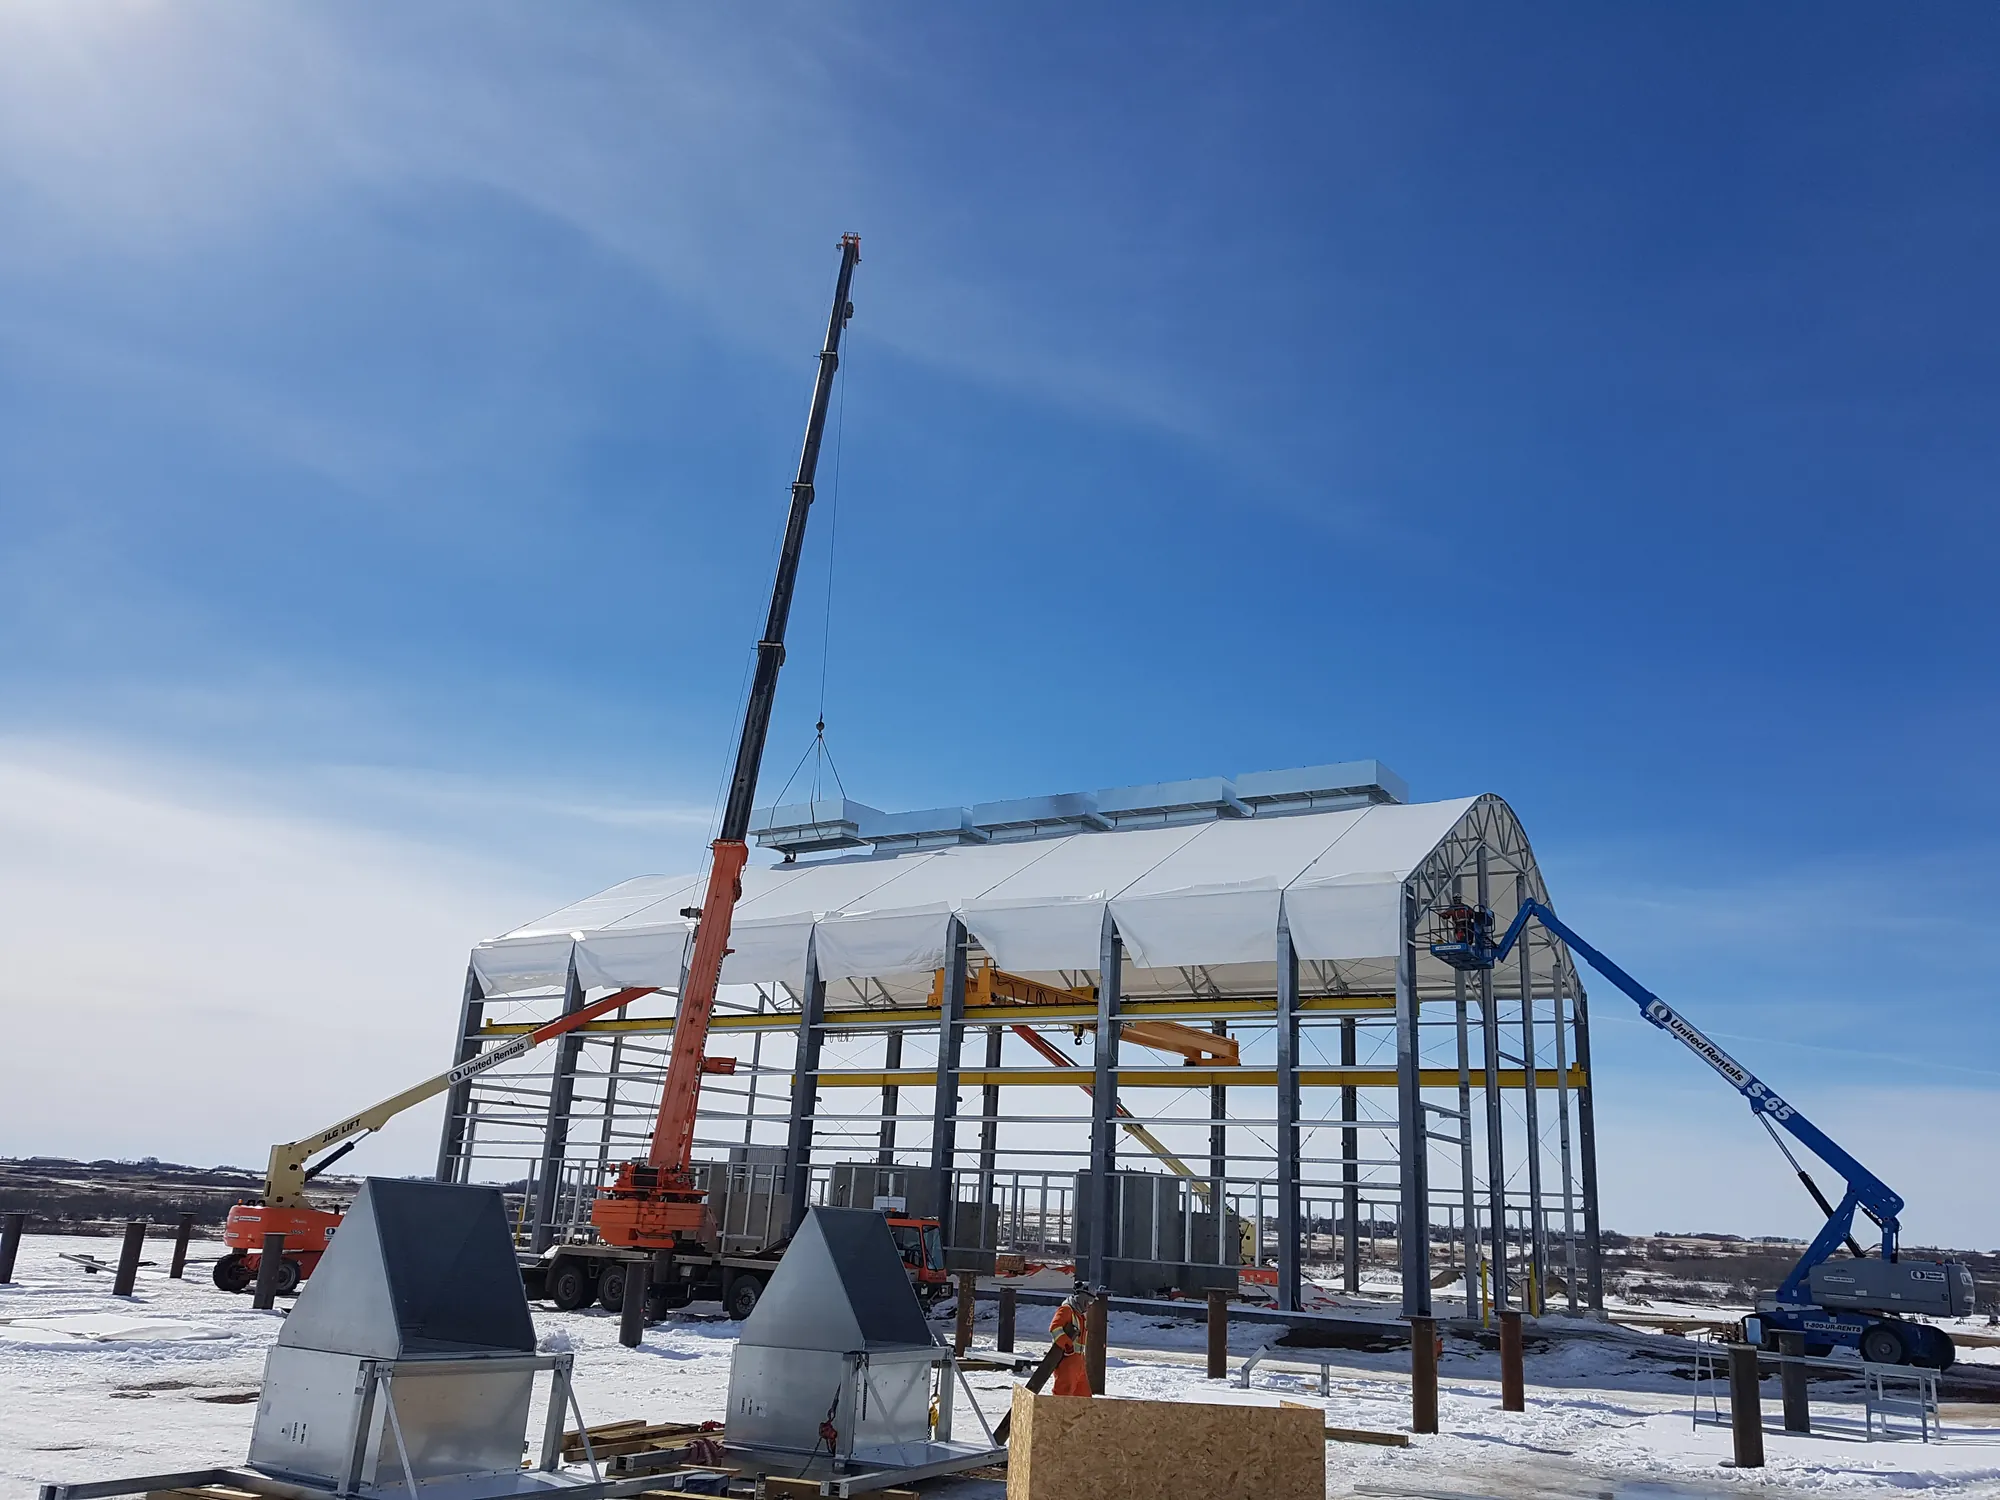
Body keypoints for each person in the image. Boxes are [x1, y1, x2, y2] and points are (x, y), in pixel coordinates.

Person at [1049, 1282, 1093, 1396]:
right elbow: (1055, 1328)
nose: (1089, 1305)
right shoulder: (1066, 1310)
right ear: (1081, 1298)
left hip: (1079, 1361)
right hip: (1067, 1361)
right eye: (1089, 1301)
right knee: (1063, 1395)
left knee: (1084, 1398)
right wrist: (1067, 1344)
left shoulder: (1080, 1315)